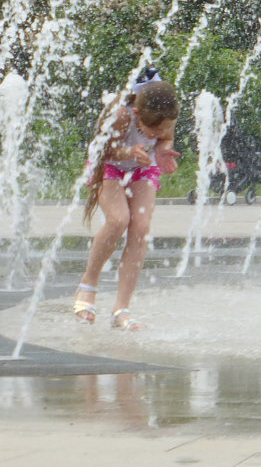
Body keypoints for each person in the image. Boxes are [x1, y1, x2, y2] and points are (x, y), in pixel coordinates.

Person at [72, 75, 180, 330]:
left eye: (162, 129)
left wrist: (163, 149)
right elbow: (104, 150)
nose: (157, 134)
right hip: (110, 166)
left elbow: (166, 137)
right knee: (119, 219)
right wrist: (129, 151)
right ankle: (88, 285)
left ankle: (122, 309)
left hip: (143, 168)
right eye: (151, 130)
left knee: (140, 228)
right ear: (137, 112)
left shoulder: (167, 112)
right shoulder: (122, 115)